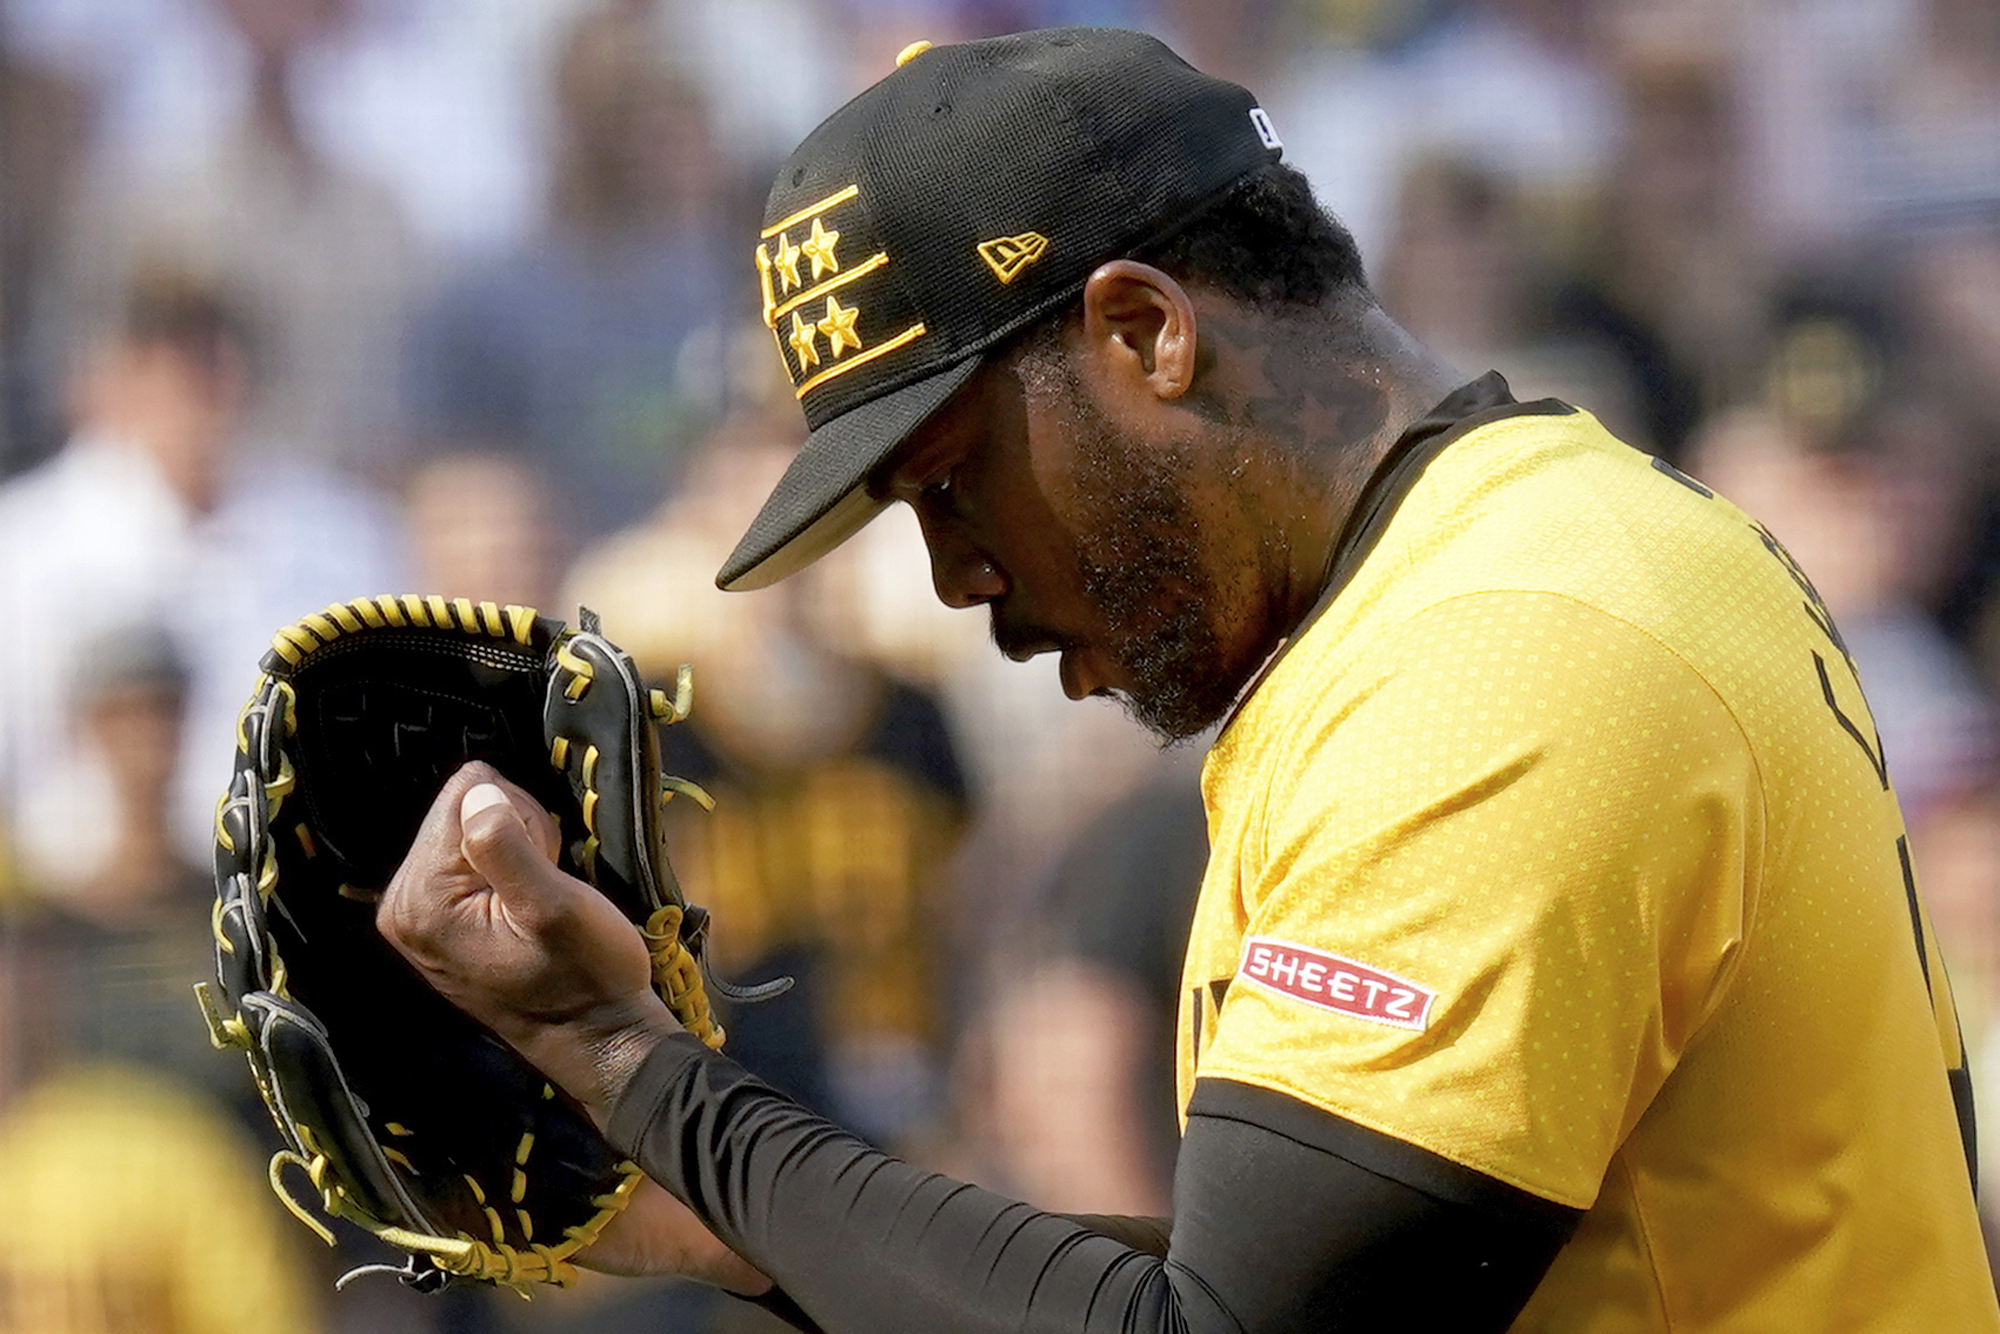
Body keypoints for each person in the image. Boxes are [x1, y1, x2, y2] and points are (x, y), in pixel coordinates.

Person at [374, 28, 2000, 1331]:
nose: (950, 578)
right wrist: (714, 1216)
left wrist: (631, 1066)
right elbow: (1321, 1260)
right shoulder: (1516, 563)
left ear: (1144, 331)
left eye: (950, 479)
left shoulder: (1505, 647)